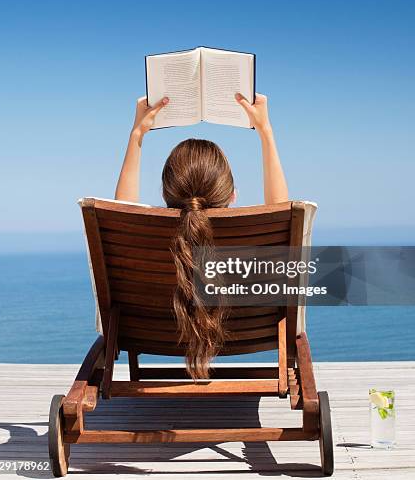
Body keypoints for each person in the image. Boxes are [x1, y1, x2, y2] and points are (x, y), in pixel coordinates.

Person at [115, 93, 288, 379]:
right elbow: (281, 211)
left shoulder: (137, 237)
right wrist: (265, 133)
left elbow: (122, 212)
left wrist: (138, 133)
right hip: (253, 334)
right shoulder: (262, 231)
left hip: (153, 336)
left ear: (164, 194)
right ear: (232, 195)